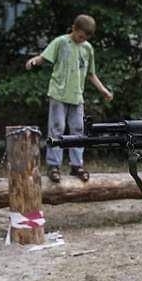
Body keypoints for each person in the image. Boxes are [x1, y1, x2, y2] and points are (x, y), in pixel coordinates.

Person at [25, 14, 113, 183]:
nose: (82, 39)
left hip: (76, 96)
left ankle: (76, 165)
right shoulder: (61, 42)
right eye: (80, 36)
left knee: (78, 130)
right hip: (59, 93)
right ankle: (53, 166)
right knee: (57, 128)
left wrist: (104, 91)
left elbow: (91, 74)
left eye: (85, 37)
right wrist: (35, 61)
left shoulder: (87, 49)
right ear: (74, 28)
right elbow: (44, 57)